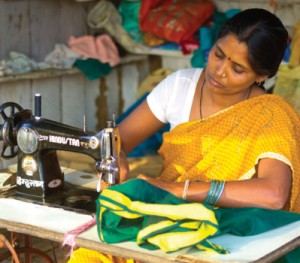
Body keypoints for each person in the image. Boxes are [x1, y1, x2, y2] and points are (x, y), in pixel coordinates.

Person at [68, 8, 300, 263]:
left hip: (227, 232)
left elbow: (273, 194)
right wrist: (115, 156)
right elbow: (115, 141)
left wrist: (178, 189)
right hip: (167, 216)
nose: (219, 70)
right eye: (218, 54)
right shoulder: (180, 85)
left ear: (262, 76)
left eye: (238, 69)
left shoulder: (271, 115)